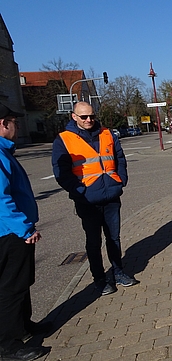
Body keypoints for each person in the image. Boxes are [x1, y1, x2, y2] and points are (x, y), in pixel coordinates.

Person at [52, 102, 139, 296]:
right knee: (93, 241)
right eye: (84, 117)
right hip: (87, 200)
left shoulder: (107, 133)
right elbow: (61, 172)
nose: (89, 120)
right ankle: (99, 279)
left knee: (114, 238)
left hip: (111, 196)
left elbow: (119, 158)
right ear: (74, 117)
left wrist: (120, 180)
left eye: (91, 116)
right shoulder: (64, 139)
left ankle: (119, 273)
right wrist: (79, 192)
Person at [0, 103, 50, 361]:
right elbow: (1, 199)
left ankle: (23, 325)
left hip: (13, 231)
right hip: (9, 233)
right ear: (2, 124)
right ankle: (9, 345)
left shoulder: (4, 151)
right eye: (13, 122)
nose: (17, 127)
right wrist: (24, 228)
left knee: (21, 283)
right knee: (10, 288)